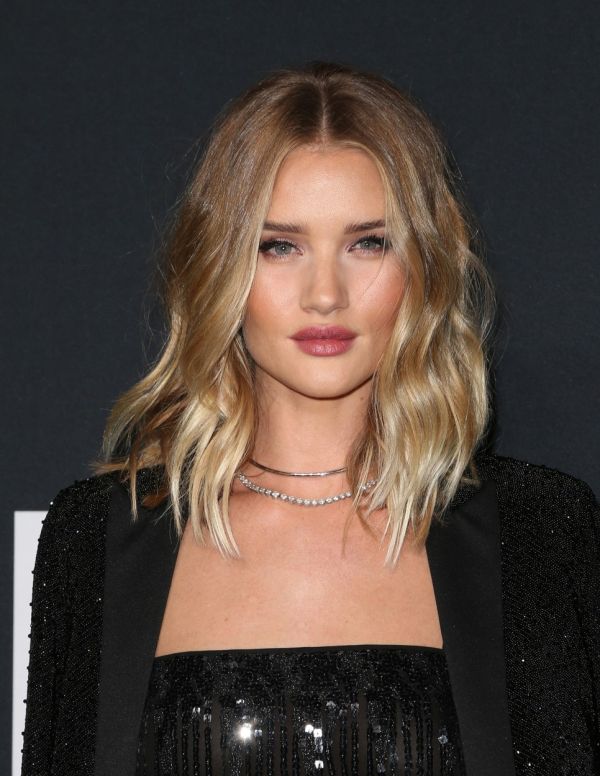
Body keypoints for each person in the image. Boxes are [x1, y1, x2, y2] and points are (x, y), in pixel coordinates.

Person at [20, 61, 599, 776]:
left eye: (368, 243)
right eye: (280, 246)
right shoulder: (98, 540)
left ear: (423, 266)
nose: (325, 294)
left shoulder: (543, 534)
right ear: (221, 266)